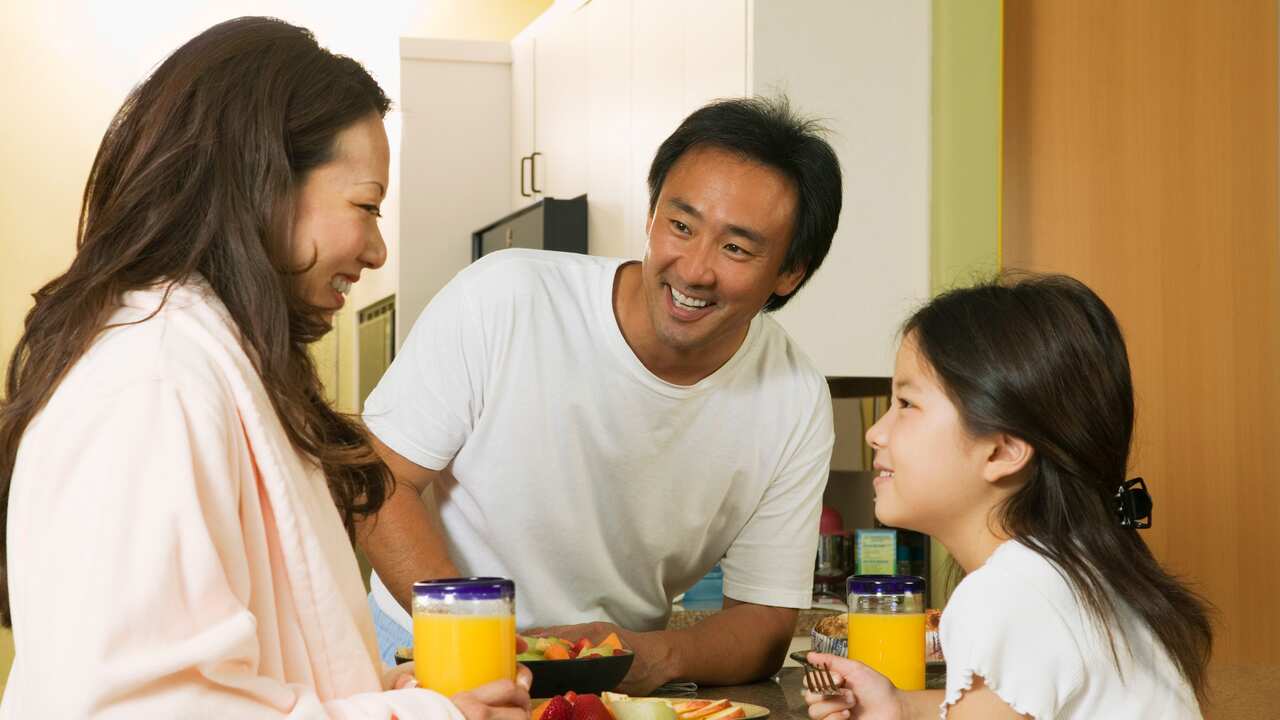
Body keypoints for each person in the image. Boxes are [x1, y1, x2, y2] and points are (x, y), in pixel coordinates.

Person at [0, 17, 530, 718]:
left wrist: (401, 697)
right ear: (264, 183)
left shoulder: (217, 368)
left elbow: (262, 671)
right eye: (365, 206)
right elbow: (143, 710)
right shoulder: (153, 383)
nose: (376, 251)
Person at [358, 97, 844, 692]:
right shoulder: (505, 296)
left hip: (615, 682)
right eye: (681, 225)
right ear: (651, 214)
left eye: (736, 248)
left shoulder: (794, 397)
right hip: (421, 645)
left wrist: (654, 656)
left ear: (790, 272)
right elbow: (378, 482)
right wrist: (484, 650)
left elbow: (765, 623)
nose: (693, 269)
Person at [802, 274, 1212, 719]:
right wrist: (899, 706)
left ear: (1001, 450)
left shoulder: (1006, 595)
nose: (875, 432)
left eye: (906, 404)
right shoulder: (1068, 571)